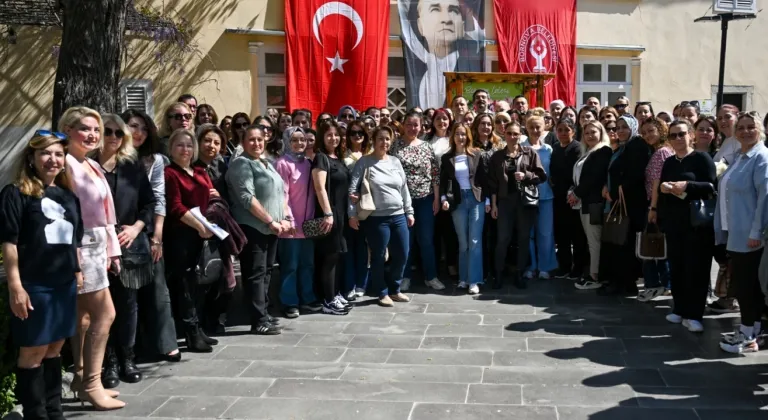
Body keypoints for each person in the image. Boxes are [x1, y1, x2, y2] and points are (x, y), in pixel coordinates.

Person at [2, 132, 84, 419]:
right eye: (45, 154)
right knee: (33, 350)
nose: (53, 159)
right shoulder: (16, 193)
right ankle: (36, 414)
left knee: (55, 347)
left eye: (59, 154)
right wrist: (16, 286)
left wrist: (77, 269)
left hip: (64, 284)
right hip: (34, 285)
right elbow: (9, 243)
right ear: (32, 159)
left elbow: (74, 239)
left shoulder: (68, 195)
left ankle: (54, 410)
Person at [59, 107, 125, 410]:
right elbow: (66, 215)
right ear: (69, 130)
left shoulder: (91, 165)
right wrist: (74, 257)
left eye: (96, 130)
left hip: (97, 245)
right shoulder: (66, 165)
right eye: (85, 128)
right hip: (80, 246)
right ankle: (92, 383)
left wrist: (113, 251)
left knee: (84, 317)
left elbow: (107, 215)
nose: (93, 135)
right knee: (105, 314)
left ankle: (81, 376)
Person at [93, 114, 155, 389]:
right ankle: (108, 364)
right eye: (108, 131)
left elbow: (149, 203)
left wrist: (136, 228)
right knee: (100, 308)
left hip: (127, 244)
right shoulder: (86, 166)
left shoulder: (132, 166)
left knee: (128, 305)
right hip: (94, 246)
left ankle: (127, 359)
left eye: (119, 133)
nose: (113, 137)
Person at [120, 109, 181, 363]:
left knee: (158, 289)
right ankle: (128, 352)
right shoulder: (111, 158)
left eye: (144, 129)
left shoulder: (154, 160)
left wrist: (157, 237)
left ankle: (166, 343)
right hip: (119, 232)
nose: (139, 133)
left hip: (145, 230)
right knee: (127, 296)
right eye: (133, 126)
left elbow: (158, 199)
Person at [227, 125, 289, 334]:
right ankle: (257, 320)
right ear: (243, 142)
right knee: (255, 273)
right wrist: (271, 221)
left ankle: (264, 312)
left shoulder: (265, 163)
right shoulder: (241, 165)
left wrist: (286, 218)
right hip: (254, 227)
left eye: (260, 139)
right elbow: (247, 198)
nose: (256, 143)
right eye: (251, 140)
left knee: (266, 272)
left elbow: (281, 193)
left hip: (272, 228)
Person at [715, 112, 768, 353]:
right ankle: (752, 329)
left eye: (751, 127)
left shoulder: (761, 158)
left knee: (747, 286)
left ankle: (747, 334)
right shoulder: (740, 156)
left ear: (761, 130)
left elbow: (764, 199)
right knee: (747, 284)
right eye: (742, 128)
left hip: (750, 234)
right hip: (735, 231)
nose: (746, 131)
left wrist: (756, 231)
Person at [163, 128, 219, 351]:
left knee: (198, 283)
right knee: (184, 284)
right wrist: (200, 225)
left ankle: (199, 327)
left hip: (201, 234)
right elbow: (175, 206)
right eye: (180, 145)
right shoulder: (170, 173)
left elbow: (210, 194)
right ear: (171, 148)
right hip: (181, 235)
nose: (185, 149)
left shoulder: (199, 171)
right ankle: (190, 332)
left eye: (188, 145)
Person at [658, 120, 716, 333]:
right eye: (672, 136)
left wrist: (687, 186)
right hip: (675, 223)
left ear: (691, 135)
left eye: (681, 134)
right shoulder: (670, 162)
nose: (677, 139)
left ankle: (695, 314)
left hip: (697, 225)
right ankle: (680, 308)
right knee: (678, 268)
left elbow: (711, 187)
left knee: (696, 270)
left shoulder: (701, 158)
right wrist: (665, 189)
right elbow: (662, 186)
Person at [349, 126, 414, 307]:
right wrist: (352, 214)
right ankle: (382, 291)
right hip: (376, 218)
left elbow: (404, 188)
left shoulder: (395, 161)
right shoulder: (364, 162)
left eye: (387, 139)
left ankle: (395, 289)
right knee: (378, 256)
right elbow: (353, 190)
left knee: (402, 253)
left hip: (399, 214)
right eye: (381, 139)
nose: (384, 142)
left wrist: (409, 211)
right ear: (374, 140)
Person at [488, 121, 546, 289]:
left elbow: (542, 176)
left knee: (523, 238)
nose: (512, 137)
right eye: (509, 133)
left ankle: (519, 274)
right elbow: (492, 184)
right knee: (503, 239)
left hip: (524, 202)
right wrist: (494, 205)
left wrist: (526, 175)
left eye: (515, 134)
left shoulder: (530, 153)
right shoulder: (497, 156)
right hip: (505, 202)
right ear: (504, 135)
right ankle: (498, 274)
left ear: (521, 136)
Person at [390, 111, 444, 291]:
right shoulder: (394, 146)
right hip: (402, 200)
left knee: (426, 239)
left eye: (416, 125)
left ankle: (431, 276)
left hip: (426, 198)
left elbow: (435, 175)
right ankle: (404, 276)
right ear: (403, 125)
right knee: (406, 240)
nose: (412, 128)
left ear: (421, 127)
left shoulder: (427, 147)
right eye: (409, 124)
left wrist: (436, 198)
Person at [398, 0, 484, 109]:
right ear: (420, 25)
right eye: (435, 10)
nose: (446, 19)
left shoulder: (471, 64)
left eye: (453, 10)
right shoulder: (415, 66)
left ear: (462, 25)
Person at [275, 127, 322, 318]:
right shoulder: (282, 164)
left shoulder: (308, 163)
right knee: (290, 265)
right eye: (294, 140)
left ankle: (307, 298)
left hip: (307, 225)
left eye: (302, 140)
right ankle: (289, 301)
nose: (299, 143)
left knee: (307, 264)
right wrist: (288, 218)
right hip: (291, 226)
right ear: (287, 141)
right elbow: (282, 194)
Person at [440, 123, 487, 294]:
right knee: (463, 242)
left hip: (475, 199)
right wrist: (444, 198)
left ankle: (474, 280)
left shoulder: (476, 154)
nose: (461, 137)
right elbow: (443, 180)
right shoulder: (447, 158)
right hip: (458, 201)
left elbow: (483, 178)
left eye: (463, 134)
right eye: (457, 134)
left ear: (468, 136)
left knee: (475, 241)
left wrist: (487, 201)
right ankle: (463, 278)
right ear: (452, 137)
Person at [312, 121, 353, 314]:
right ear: (322, 137)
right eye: (329, 135)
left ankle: (335, 294)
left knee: (337, 256)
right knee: (330, 257)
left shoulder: (337, 157)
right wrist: (328, 213)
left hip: (342, 213)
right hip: (330, 214)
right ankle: (328, 300)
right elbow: (319, 188)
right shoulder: (321, 158)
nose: (333, 138)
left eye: (336, 135)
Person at [570, 121, 612, 289]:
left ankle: (595, 276)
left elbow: (593, 178)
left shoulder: (603, 150)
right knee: (591, 241)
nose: (590, 135)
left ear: (601, 133)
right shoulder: (587, 152)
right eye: (586, 133)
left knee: (595, 241)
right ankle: (594, 272)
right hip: (585, 203)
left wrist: (576, 194)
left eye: (593, 132)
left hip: (594, 203)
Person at [639, 117, 673, 302]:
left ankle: (658, 285)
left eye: (651, 131)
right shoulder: (657, 151)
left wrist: (653, 207)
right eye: (644, 133)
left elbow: (657, 182)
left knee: (654, 247)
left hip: (656, 205)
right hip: (654, 204)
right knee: (656, 247)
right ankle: (662, 284)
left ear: (661, 130)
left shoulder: (662, 153)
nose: (647, 136)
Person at [549, 117, 588, 280]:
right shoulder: (556, 148)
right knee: (561, 234)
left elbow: (577, 174)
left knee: (576, 235)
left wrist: (573, 192)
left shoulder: (577, 148)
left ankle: (578, 268)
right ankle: (564, 266)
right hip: (558, 198)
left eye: (567, 130)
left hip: (573, 197)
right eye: (560, 130)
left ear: (573, 130)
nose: (563, 133)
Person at [522, 111, 557, 280]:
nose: (535, 130)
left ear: (544, 128)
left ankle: (545, 266)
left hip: (546, 196)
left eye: (538, 127)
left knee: (545, 233)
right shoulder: (521, 147)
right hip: (526, 196)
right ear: (526, 128)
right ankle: (531, 266)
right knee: (528, 233)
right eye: (531, 127)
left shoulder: (548, 149)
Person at [343, 121, 372, 299]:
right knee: (350, 248)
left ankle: (363, 283)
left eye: (360, 132)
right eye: (353, 133)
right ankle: (350, 284)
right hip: (349, 205)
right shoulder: (343, 154)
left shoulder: (370, 154)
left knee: (365, 248)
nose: (357, 136)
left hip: (368, 207)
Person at [428, 109, 458, 277]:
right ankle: (434, 265)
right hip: (429, 190)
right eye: (438, 119)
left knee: (449, 229)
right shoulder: (427, 141)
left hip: (449, 189)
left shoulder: (452, 140)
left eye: (445, 119)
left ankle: (452, 263)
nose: (441, 122)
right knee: (433, 231)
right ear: (433, 122)